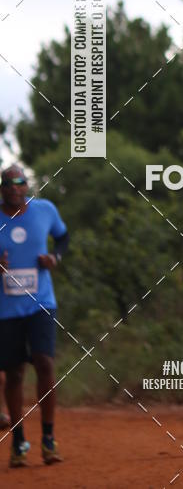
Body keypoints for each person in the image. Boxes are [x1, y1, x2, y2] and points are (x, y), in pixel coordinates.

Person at [0, 164, 69, 467]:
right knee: (14, 373)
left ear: (27, 185)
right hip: (6, 309)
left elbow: (63, 238)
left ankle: (49, 439)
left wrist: (55, 257)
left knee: (44, 362)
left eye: (19, 181)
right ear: (2, 189)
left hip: (41, 302)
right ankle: (18, 441)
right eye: (7, 183)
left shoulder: (45, 210)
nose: (14, 187)